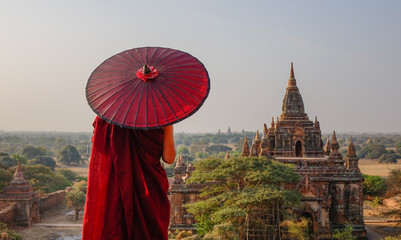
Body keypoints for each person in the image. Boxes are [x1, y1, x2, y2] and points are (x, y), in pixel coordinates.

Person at [82, 116, 176, 240]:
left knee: (115, 229)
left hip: (116, 188)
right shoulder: (161, 117)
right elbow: (169, 158)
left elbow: (100, 149)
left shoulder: (108, 117)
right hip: (149, 187)